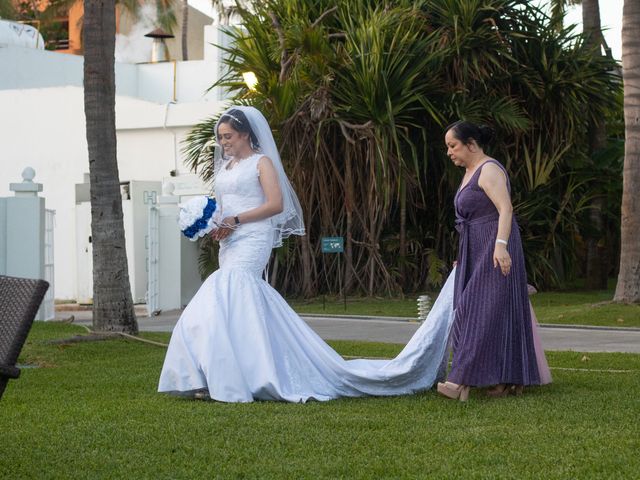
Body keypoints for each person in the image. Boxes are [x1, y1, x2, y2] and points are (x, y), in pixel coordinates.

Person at [158, 106, 457, 403]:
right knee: (234, 299)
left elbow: (276, 204)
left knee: (226, 288)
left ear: (246, 134)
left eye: (229, 136)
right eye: (221, 138)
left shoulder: (261, 163)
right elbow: (224, 204)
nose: (224, 143)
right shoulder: (225, 168)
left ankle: (241, 375)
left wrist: (237, 221)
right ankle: (223, 373)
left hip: (253, 236)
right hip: (230, 239)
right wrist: (215, 223)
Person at [437, 121, 551, 402]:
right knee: (494, 312)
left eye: (453, 146)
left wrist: (500, 247)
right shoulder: (469, 173)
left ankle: (458, 381)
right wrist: (463, 256)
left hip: (495, 245)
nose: (450, 152)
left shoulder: (488, 169)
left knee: (472, 310)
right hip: (475, 248)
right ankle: (505, 378)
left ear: (471, 143)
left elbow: (505, 208)